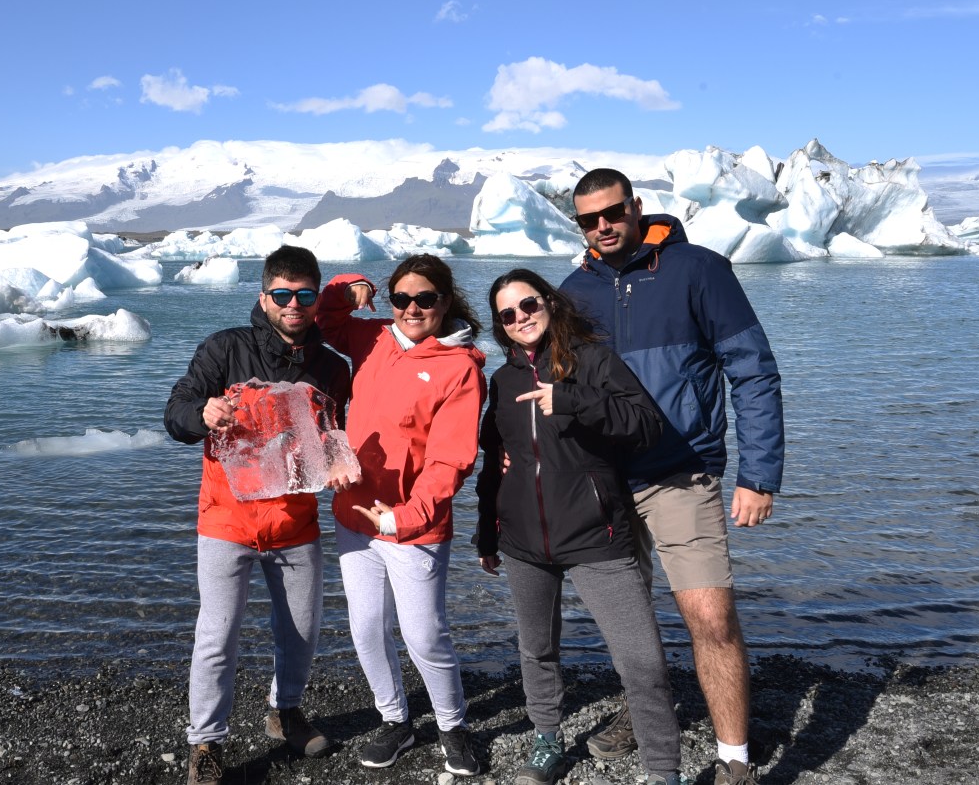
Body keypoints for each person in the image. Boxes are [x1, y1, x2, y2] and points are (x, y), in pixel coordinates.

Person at [558, 168, 784, 785]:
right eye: (587, 219)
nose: (602, 226)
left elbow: (754, 371)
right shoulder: (571, 292)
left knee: (710, 617)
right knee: (629, 622)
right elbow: (551, 391)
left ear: (636, 208)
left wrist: (758, 474)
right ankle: (649, 712)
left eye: (612, 212)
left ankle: (733, 760)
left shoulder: (698, 270)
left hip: (681, 476)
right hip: (602, 482)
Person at [473, 269, 682, 785]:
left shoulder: (592, 359)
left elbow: (646, 425)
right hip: (523, 541)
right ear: (500, 327)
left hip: (597, 538)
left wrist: (568, 398)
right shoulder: (501, 381)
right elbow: (495, 460)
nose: (521, 318)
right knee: (537, 648)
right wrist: (486, 531)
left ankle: (665, 772)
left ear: (548, 302)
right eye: (507, 314)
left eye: (528, 305)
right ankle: (548, 740)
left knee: (643, 662)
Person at [163, 245, 356, 785]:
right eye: (282, 294)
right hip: (226, 522)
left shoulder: (331, 367)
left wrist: (342, 461)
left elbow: (339, 435)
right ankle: (205, 743)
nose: (294, 304)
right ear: (264, 297)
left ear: (316, 298)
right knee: (217, 635)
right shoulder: (224, 349)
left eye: (305, 294)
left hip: (296, 525)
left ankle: (285, 711)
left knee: (300, 631)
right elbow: (175, 412)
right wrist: (200, 413)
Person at [313, 254, 488, 777]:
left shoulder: (459, 368)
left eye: (426, 299)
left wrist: (406, 517)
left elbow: (451, 457)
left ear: (445, 302)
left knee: (423, 633)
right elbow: (327, 318)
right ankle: (395, 718)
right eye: (402, 299)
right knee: (366, 626)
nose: (413, 309)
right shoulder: (372, 340)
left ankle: (451, 725)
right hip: (355, 517)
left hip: (415, 526)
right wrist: (350, 285)